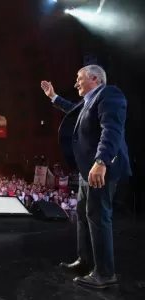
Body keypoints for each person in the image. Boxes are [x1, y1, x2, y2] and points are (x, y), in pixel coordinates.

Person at [41, 65, 131, 289]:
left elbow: (111, 129)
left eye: (78, 78)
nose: (75, 83)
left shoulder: (109, 94)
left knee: (98, 217)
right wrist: (53, 97)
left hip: (101, 167)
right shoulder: (88, 102)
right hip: (86, 170)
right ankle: (85, 262)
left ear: (94, 78)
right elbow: (74, 110)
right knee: (83, 214)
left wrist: (101, 161)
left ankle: (104, 273)